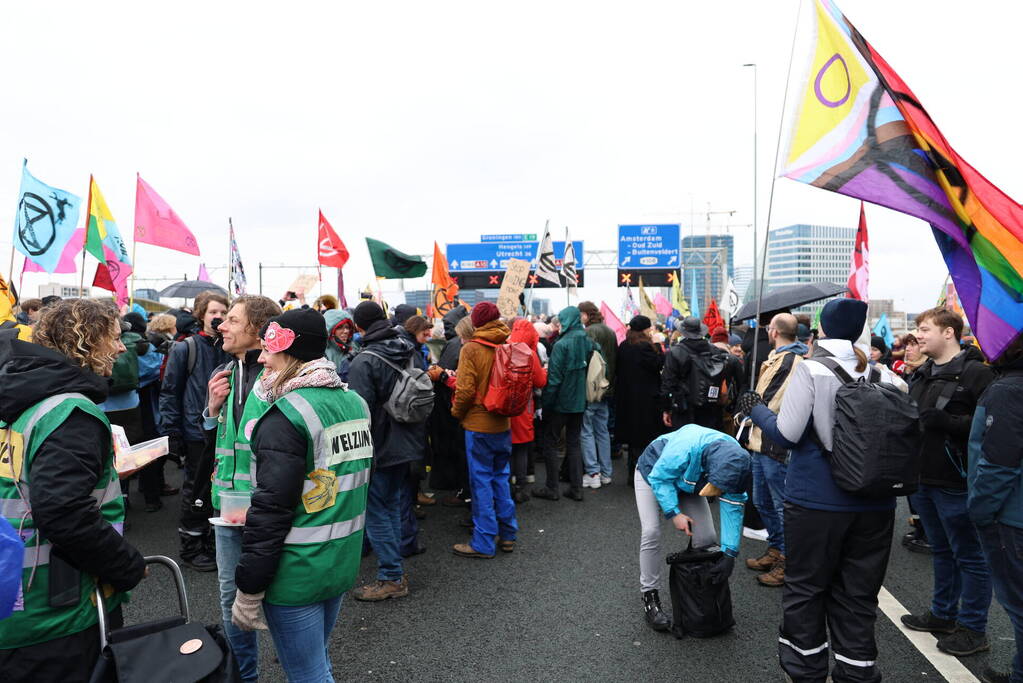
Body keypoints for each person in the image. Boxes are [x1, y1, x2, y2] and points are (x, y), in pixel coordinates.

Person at [741, 298, 907, 683]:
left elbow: (787, 434)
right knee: (858, 594)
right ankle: (857, 673)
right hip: (876, 501)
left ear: (822, 329)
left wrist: (756, 409)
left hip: (817, 498)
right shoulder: (886, 375)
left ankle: (806, 670)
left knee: (806, 588)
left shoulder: (812, 370)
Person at [0, 299, 146, 681]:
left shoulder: (18, 399)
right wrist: (128, 566)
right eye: (114, 338)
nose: (121, 348)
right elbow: (63, 512)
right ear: (86, 342)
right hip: (58, 609)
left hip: (12, 597)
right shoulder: (70, 411)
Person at [231, 309, 370, 682]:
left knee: (309, 675)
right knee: (318, 665)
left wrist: (249, 588)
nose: (261, 358)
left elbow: (271, 510)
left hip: (296, 570)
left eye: (269, 350)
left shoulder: (285, 415)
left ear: (290, 352)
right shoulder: (355, 403)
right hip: (340, 560)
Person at [902, 307, 994, 656]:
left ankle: (973, 629)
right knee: (941, 550)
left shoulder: (976, 374)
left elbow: (993, 425)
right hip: (924, 476)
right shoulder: (923, 372)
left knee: (970, 556)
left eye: (924, 329)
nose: (918, 335)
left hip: (957, 480)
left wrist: (948, 423)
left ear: (948, 333)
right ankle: (942, 614)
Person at [204, 294, 282, 682]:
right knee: (229, 598)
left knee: (281, 598)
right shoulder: (225, 372)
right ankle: (244, 677)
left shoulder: (280, 377)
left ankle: (299, 664)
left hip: (271, 508)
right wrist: (211, 410)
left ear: (258, 330)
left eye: (232, 320)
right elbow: (216, 437)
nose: (221, 325)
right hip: (229, 507)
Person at [633, 424, 750, 632]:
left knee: (706, 538)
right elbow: (659, 478)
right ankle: (649, 595)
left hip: (689, 481)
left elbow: (733, 505)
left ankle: (696, 592)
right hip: (653, 473)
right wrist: (674, 513)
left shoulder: (736, 461)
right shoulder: (684, 447)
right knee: (651, 531)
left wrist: (730, 553)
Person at [348, 301, 424, 600]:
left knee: (378, 510)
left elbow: (360, 412)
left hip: (379, 444)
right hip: (407, 437)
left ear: (359, 327)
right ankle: (395, 570)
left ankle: (391, 576)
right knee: (391, 504)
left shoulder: (364, 361)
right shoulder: (406, 347)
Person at [161, 291, 230, 571]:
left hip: (224, 429)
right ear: (201, 314)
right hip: (195, 431)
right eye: (213, 312)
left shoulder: (228, 346)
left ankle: (212, 540)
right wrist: (172, 431)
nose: (219, 317)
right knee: (196, 488)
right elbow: (170, 391)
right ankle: (191, 547)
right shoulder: (185, 348)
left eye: (223, 312)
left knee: (218, 486)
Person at [967, 338, 1023, 683]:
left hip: (1010, 516)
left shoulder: (1008, 390)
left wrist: (979, 509)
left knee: (1018, 604)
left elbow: (999, 464)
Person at [741, 313, 807, 588]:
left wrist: (750, 409)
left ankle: (788, 561)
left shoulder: (791, 361)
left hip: (775, 442)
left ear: (774, 331)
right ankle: (777, 548)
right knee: (762, 501)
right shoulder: (777, 358)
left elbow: (768, 401)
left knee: (780, 505)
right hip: (760, 440)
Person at [448, 301, 517, 557]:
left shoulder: (472, 348)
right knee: (501, 478)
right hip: (503, 423)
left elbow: (465, 390)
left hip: (478, 424)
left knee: (481, 483)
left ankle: (483, 542)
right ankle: (508, 534)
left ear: (476, 322)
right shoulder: (507, 344)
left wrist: (457, 413)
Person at [534, 306, 598, 502]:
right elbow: (598, 355)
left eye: (561, 321)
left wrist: (546, 404)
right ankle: (576, 488)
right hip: (580, 400)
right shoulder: (587, 341)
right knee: (574, 443)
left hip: (561, 402)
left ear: (567, 321)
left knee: (550, 442)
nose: (559, 325)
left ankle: (552, 487)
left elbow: (554, 380)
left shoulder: (561, 345)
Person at [662, 316, 743, 432]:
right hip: (711, 409)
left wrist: (666, 409)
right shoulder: (714, 350)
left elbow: (668, 383)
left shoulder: (676, 352)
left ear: (683, 332)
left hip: (684, 410)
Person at [614, 315, 665, 486]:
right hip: (645, 399)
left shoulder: (624, 345)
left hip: (627, 397)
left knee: (633, 439)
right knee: (645, 438)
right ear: (644, 329)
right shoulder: (645, 347)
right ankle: (642, 474)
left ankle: (632, 472)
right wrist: (659, 346)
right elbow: (657, 364)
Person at [507, 318, 547, 503]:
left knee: (506, 448)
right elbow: (540, 381)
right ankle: (520, 488)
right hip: (523, 406)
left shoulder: (502, 349)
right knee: (521, 448)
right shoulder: (530, 354)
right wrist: (544, 371)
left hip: (504, 405)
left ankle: (507, 486)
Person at [578, 301, 616, 489]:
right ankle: (606, 473)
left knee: (586, 431)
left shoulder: (589, 332)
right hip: (607, 388)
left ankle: (593, 472)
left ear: (585, 314)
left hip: (591, 389)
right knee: (602, 431)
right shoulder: (610, 331)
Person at [323, 308, 359, 382]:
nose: (346, 331)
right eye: (339, 327)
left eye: (347, 327)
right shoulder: (323, 355)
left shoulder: (356, 347)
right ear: (330, 331)